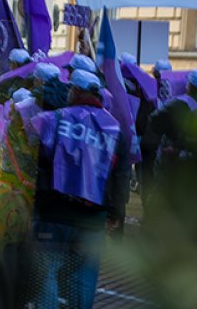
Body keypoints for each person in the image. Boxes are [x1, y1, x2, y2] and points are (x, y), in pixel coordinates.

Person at [26, 69, 121, 309]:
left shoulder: (52, 119)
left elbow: (33, 156)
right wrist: (116, 212)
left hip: (54, 212)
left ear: (75, 91)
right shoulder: (115, 127)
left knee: (46, 272)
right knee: (85, 278)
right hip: (93, 217)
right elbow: (119, 174)